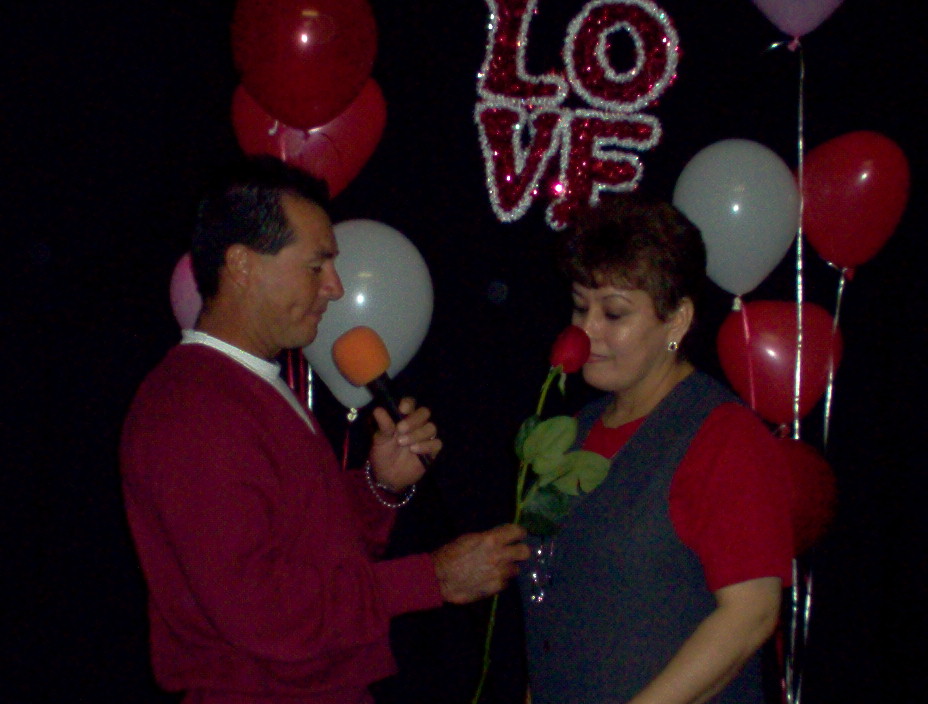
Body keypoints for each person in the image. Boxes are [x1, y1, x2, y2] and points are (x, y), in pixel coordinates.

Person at [120, 156, 529, 704]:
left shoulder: (245, 385)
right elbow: (261, 610)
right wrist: (433, 578)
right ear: (241, 265)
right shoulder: (194, 408)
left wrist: (378, 487)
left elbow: (306, 549)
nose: (335, 288)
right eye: (317, 266)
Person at [520, 194, 794, 704]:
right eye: (580, 306)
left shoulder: (723, 436)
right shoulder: (574, 431)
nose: (586, 330)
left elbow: (751, 614)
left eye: (613, 313)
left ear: (678, 320)